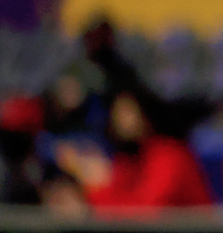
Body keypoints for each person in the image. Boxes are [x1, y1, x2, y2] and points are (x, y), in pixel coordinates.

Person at [65, 89, 214, 213]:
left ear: (145, 113)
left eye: (127, 111)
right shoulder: (127, 158)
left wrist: (97, 188)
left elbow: (146, 214)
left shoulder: (169, 155)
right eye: (115, 111)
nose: (118, 119)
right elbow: (121, 200)